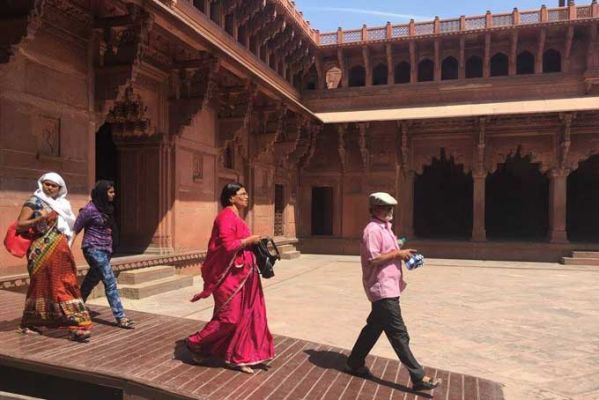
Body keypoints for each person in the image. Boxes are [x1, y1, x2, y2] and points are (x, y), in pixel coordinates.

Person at [345, 192, 441, 391]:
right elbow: (373, 260)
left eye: (391, 208)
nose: (389, 212)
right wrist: (398, 253)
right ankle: (418, 376)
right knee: (399, 334)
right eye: (385, 208)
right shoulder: (372, 230)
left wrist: (399, 248)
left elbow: (386, 252)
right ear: (374, 209)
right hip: (382, 288)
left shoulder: (385, 228)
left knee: (373, 329)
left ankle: (354, 362)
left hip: (391, 286)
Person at [186, 182, 274, 374]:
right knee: (230, 318)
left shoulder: (236, 217)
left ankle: (239, 356)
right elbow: (227, 246)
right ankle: (195, 342)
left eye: (246, 193)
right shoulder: (225, 217)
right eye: (242, 194)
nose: (246, 197)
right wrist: (249, 241)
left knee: (247, 317)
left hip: (244, 276)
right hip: (229, 278)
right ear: (231, 197)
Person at [16, 172, 93, 342]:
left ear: (60, 188)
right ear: (41, 183)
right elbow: (20, 225)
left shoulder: (62, 204)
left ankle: (73, 324)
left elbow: (68, 228)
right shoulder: (34, 202)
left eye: (53, 185)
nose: (49, 187)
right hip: (41, 250)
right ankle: (76, 326)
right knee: (42, 286)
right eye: (47, 184)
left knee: (67, 283)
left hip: (61, 250)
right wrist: (40, 218)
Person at [73, 180, 134, 329]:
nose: (114, 195)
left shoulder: (107, 209)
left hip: (106, 250)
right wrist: (66, 250)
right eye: (111, 192)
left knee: (91, 280)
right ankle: (121, 317)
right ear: (102, 193)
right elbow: (75, 229)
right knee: (110, 281)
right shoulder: (89, 210)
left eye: (113, 192)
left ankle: (75, 308)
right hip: (93, 249)